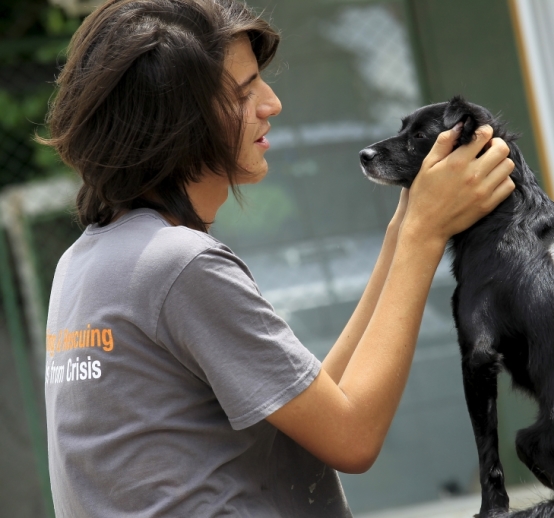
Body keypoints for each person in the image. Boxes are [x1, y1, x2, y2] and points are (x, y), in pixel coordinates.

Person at [41, 0, 515, 516]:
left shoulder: (87, 262)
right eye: (244, 93)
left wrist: (407, 228)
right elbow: (352, 436)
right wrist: (426, 235)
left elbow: (321, 406)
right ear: (177, 120)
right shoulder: (177, 267)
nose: (272, 102)